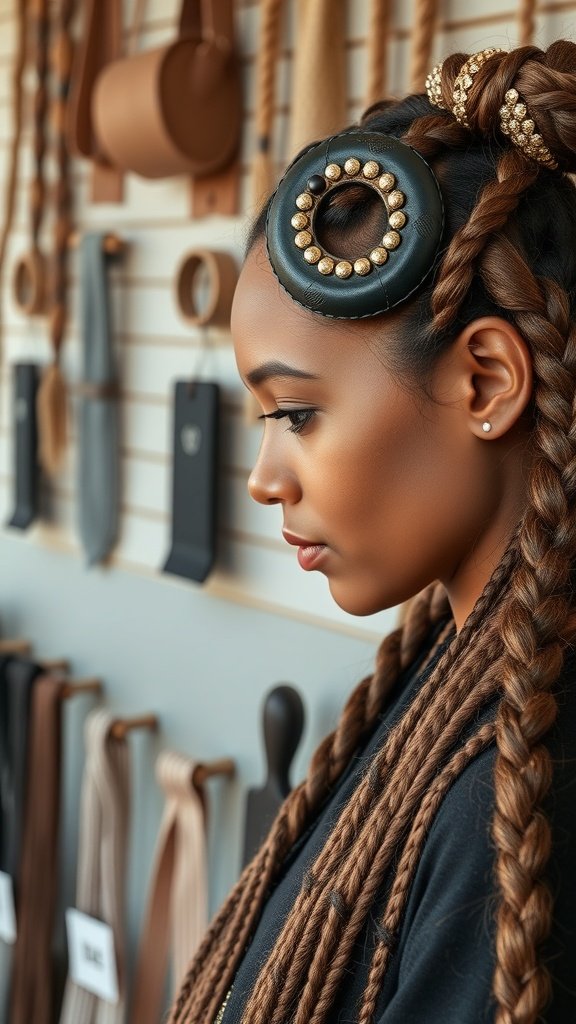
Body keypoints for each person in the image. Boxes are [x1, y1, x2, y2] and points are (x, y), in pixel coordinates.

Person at [169, 41, 576, 1024]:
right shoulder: (455, 675)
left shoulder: (513, 799)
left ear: (486, 381)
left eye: (297, 414)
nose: (265, 480)